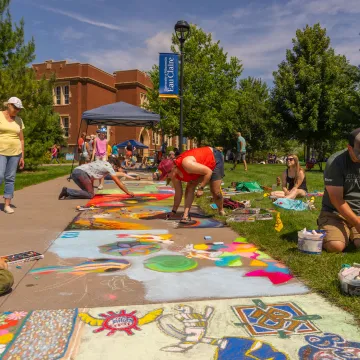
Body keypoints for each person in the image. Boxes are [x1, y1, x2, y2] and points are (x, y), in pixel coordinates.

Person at [318, 128, 360, 253]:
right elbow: (337, 199)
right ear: (349, 147)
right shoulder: (336, 162)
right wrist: (357, 223)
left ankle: (353, 235)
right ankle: (329, 227)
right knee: (335, 246)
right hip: (335, 213)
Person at [158, 146, 225, 223]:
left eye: (166, 175)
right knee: (190, 185)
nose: (167, 177)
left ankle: (221, 210)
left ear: (172, 169)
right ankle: (185, 215)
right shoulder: (174, 175)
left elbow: (208, 172)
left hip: (214, 157)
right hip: (202, 165)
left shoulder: (186, 164)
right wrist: (174, 211)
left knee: (215, 192)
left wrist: (201, 188)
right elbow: (178, 193)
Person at [59, 160, 134, 200]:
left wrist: (91, 187)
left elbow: (91, 174)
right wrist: (128, 192)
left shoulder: (102, 162)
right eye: (116, 168)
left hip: (76, 172)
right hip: (81, 173)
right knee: (90, 195)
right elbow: (117, 182)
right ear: (113, 165)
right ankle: (67, 191)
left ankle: (69, 194)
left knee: (88, 193)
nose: (115, 169)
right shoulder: (109, 167)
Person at [0, 97, 25, 214]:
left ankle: (7, 205)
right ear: (9, 105)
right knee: (0, 176)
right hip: (1, 151)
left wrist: (22, 156)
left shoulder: (19, 120)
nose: (17, 110)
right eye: (15, 108)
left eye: (19, 109)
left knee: (10, 178)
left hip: (15, 153)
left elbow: (21, 140)